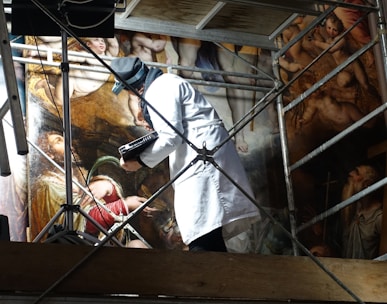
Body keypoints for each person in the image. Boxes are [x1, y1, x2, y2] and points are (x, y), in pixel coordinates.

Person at [110, 56, 260, 252]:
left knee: (203, 229)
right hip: (200, 156)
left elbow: (170, 137)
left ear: (135, 86)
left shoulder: (159, 88)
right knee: (205, 229)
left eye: (130, 90)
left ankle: (212, 275)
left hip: (202, 159)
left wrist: (139, 160)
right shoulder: (165, 85)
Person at [29, 130, 154, 247]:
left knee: (137, 246)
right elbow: (80, 222)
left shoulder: (82, 177)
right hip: (72, 252)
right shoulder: (47, 186)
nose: (67, 143)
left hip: (98, 244)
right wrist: (124, 205)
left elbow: (108, 214)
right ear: (49, 154)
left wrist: (108, 188)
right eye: (58, 141)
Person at [341, 165, 383, 259]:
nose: (350, 174)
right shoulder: (352, 210)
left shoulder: (379, 218)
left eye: (357, 172)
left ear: (366, 184)